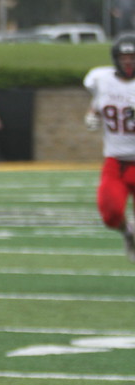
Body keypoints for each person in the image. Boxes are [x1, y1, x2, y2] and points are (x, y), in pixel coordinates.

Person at [83, 34, 135, 262]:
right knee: (111, 213)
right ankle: (128, 232)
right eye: (124, 57)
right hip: (115, 161)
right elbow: (98, 101)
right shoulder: (101, 79)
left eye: (132, 57)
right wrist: (91, 114)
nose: (128, 62)